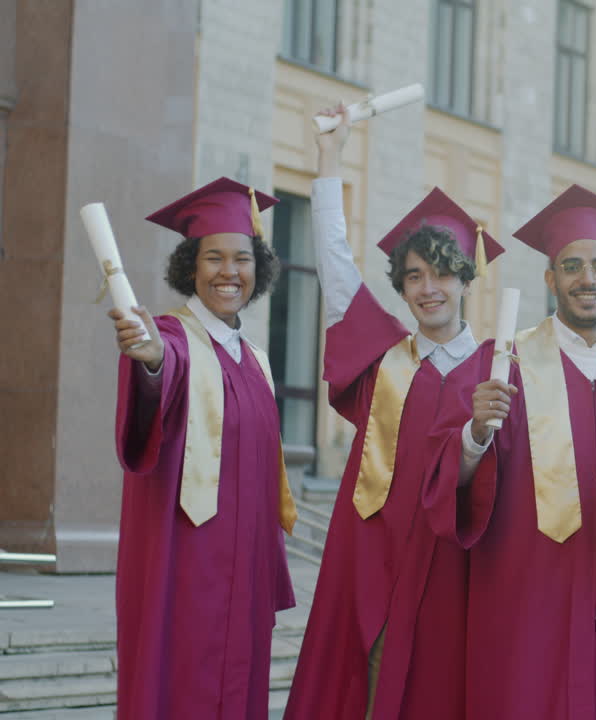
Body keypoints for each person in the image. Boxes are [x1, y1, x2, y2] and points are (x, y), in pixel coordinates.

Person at [284, 105, 505, 720]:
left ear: (466, 278)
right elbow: (334, 269)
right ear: (401, 287)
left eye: (441, 273)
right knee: (362, 687)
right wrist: (331, 157)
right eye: (413, 277)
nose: (428, 287)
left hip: (451, 566)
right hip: (371, 554)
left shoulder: (498, 370)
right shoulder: (385, 360)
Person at [426, 184, 596, 720]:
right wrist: (475, 433)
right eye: (572, 265)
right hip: (522, 597)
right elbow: (451, 477)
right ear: (550, 278)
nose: (588, 278)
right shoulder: (503, 363)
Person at [110, 177, 295, 720]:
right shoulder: (173, 337)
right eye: (213, 258)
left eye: (241, 258)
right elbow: (164, 369)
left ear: (257, 268)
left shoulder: (255, 360)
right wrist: (149, 360)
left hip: (246, 573)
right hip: (185, 567)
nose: (228, 272)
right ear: (190, 266)